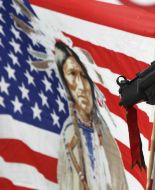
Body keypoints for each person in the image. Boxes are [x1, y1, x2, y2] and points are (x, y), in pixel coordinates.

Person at [55, 41, 128, 190]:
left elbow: (119, 182)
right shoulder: (69, 134)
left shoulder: (105, 133)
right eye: (72, 74)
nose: (81, 86)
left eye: (83, 75)